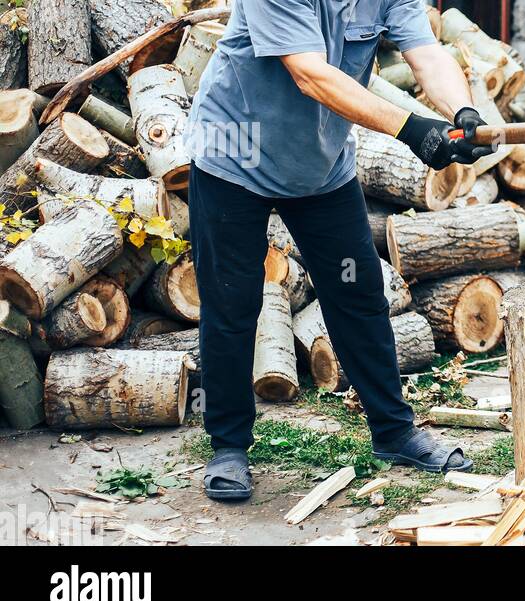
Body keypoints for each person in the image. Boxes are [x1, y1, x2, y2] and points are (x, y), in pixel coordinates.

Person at [185, 0, 496, 501]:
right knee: (232, 302)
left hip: (319, 168)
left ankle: (394, 431)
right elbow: (312, 75)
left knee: (359, 292)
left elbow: (426, 52)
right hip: (234, 156)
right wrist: (411, 128)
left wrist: (462, 112)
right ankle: (229, 446)